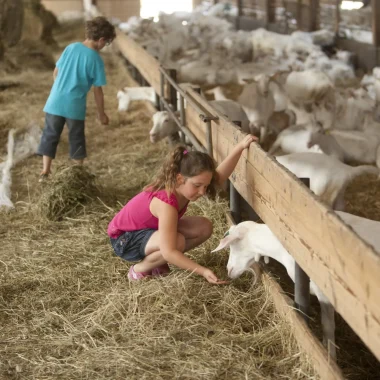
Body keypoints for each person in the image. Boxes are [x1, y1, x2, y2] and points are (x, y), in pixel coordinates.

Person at [107, 135, 258, 284]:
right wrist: (203, 271)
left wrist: (240, 147)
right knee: (175, 242)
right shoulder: (166, 203)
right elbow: (169, 251)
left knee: (204, 227)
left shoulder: (183, 187)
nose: (202, 192)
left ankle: (157, 263)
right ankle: (139, 269)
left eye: (205, 186)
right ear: (180, 179)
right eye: (197, 185)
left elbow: (219, 178)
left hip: (148, 230)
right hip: (124, 239)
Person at [37, 16, 116, 182]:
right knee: (76, 138)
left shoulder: (71, 47)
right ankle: (77, 172)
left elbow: (56, 72)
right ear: (101, 40)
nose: (104, 46)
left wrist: (60, 89)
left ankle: (45, 170)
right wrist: (101, 114)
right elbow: (98, 90)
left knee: (50, 135)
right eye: (106, 43)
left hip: (54, 101)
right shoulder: (95, 59)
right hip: (74, 106)